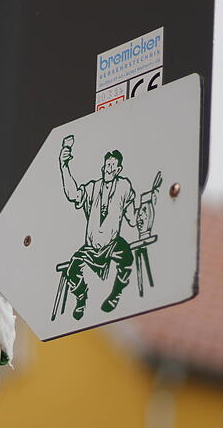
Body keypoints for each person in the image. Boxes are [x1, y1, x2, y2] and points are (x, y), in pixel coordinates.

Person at [58, 136, 137, 320]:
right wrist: (64, 166)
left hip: (112, 243)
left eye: (112, 166)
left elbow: (131, 218)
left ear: (118, 169)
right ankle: (81, 297)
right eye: (106, 165)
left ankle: (116, 293)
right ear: (103, 167)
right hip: (91, 247)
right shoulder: (93, 188)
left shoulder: (124, 186)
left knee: (126, 258)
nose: (108, 169)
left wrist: (141, 214)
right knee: (72, 270)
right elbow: (72, 194)